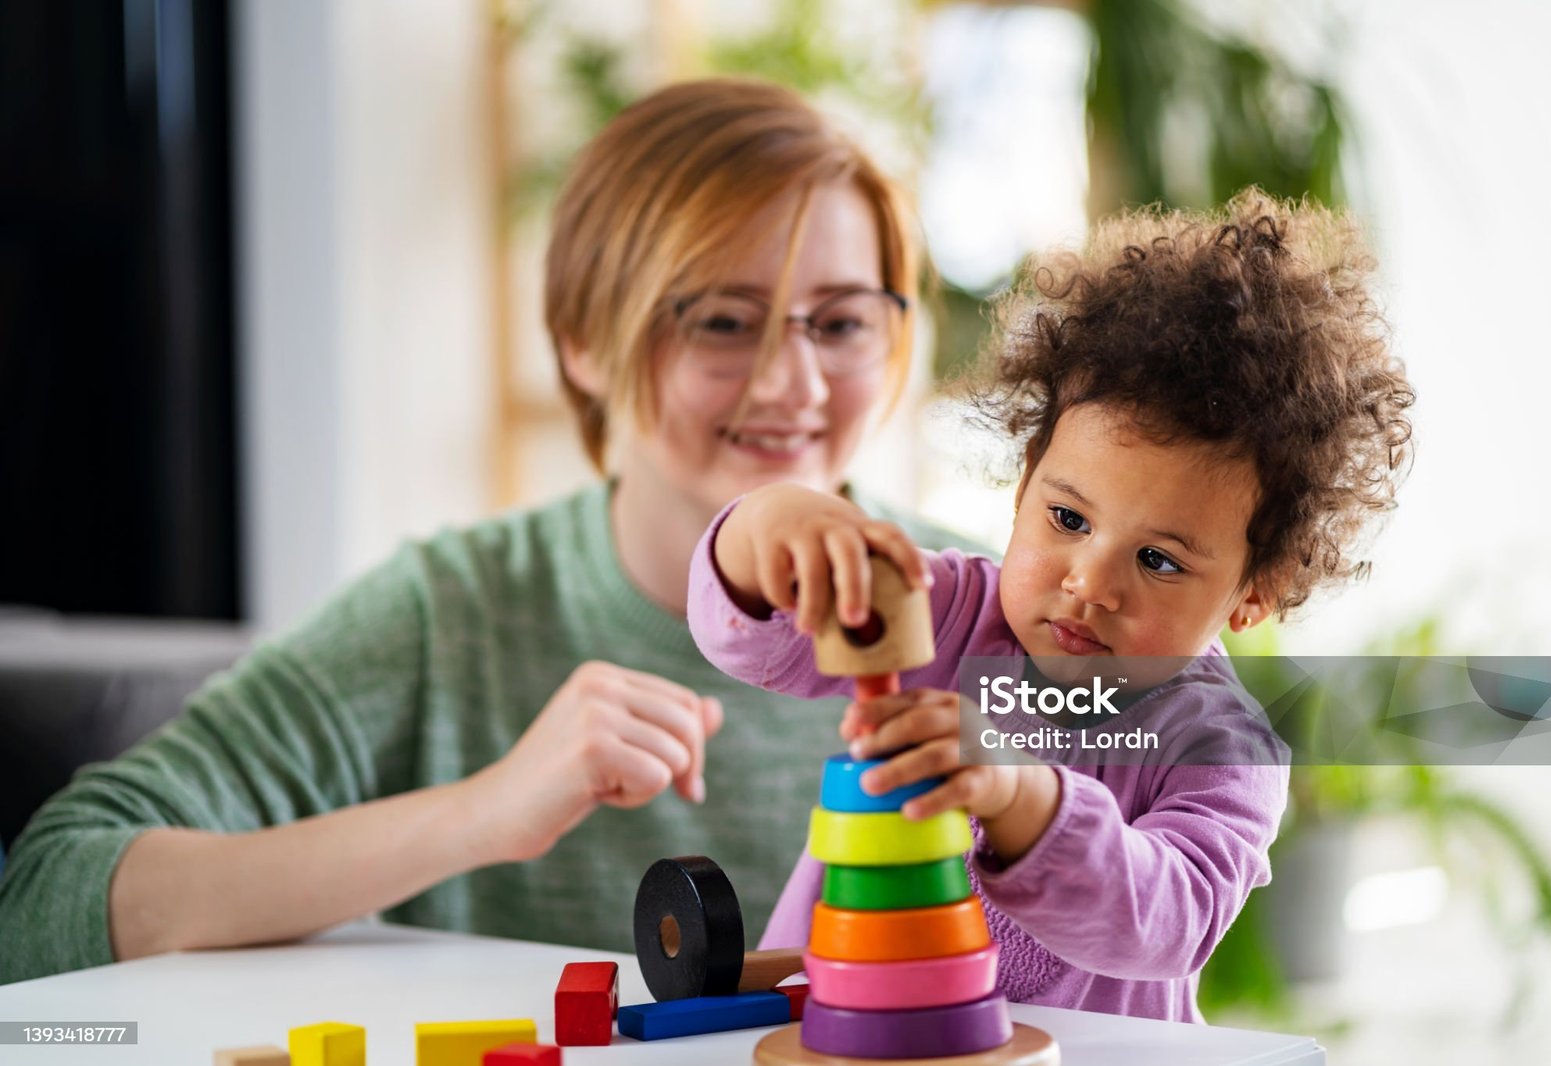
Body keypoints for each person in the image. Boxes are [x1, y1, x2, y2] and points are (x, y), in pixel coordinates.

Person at [0, 78, 989, 983]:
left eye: (844, 322)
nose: (794, 385)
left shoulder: (1002, 614)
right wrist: (483, 810)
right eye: (724, 322)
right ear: (581, 343)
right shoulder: (448, 613)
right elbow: (47, 899)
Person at [688, 190, 1416, 1022]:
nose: (1089, 584)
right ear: (1025, 482)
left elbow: (1171, 920)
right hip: (848, 1033)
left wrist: (1024, 799)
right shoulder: (950, 614)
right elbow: (754, 642)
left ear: (1252, 595)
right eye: (1067, 519)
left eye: (1158, 560)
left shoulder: (1221, 748)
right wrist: (767, 529)